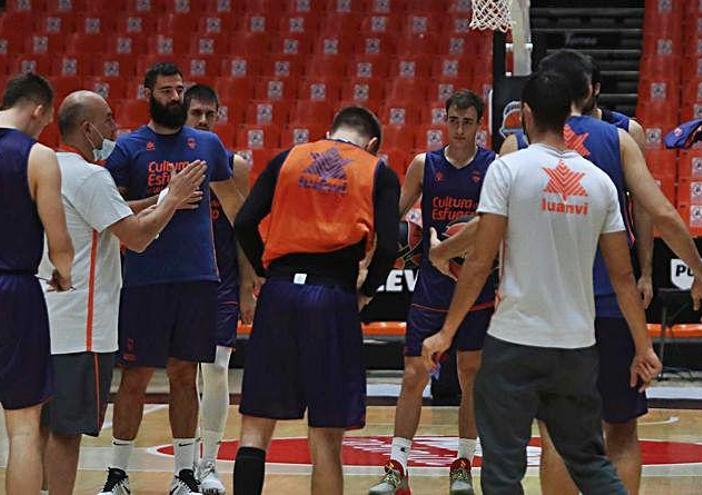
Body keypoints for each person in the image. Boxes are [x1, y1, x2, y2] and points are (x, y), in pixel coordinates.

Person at [485, 49, 702, 495]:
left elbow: (494, 231)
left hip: (548, 314)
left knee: (555, 435)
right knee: (622, 432)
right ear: (590, 91)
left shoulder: (518, 145)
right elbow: (661, 213)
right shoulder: (619, 138)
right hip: (610, 305)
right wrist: (698, 271)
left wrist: (492, 277)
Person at [421, 69, 661, 494]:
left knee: (502, 466)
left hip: (516, 339)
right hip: (575, 345)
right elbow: (624, 279)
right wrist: (643, 346)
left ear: (526, 114)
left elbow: (478, 264)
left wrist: (446, 331)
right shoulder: (600, 181)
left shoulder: (508, 169)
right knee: (588, 460)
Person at [38, 90, 205, 495]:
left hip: (38, 318)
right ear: (87, 127)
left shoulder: (42, 169)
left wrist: (160, 199)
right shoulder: (91, 175)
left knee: (34, 430)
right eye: (109, 120)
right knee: (66, 433)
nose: (116, 128)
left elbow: (108, 210)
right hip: (82, 324)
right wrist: (174, 200)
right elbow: (139, 237)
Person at [232, 106, 400, 495]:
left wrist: (265, 271)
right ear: (372, 144)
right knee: (325, 437)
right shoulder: (378, 171)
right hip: (332, 295)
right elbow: (390, 246)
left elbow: (243, 223)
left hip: (280, 292)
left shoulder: (288, 158)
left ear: (329, 131)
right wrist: (367, 292)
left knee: (255, 425)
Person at [99, 62, 245, 495]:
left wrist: (257, 263)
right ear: (147, 92)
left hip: (199, 276)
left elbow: (236, 210)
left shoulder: (207, 144)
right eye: (166, 91)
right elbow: (114, 210)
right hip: (145, 279)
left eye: (180, 90)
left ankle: (185, 473)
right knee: (135, 377)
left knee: (186, 375)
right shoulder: (129, 149)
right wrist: (167, 197)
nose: (176, 98)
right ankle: (118, 474)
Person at [368, 89, 495, 495]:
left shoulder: (494, 167)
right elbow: (395, 217)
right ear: (445, 120)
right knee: (413, 374)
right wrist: (392, 246)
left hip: (478, 282)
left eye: (468, 123)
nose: (459, 130)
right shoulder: (426, 165)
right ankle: (397, 467)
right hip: (431, 285)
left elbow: (498, 228)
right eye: (453, 121)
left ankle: (462, 464)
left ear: (480, 125)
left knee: (470, 375)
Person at [0, 72, 73, 495]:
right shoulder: (38, 156)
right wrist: (63, 274)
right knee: (24, 426)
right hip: (14, 291)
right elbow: (59, 241)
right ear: (39, 109)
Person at [183, 83, 257, 495]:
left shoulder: (234, 164)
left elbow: (242, 231)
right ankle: (184, 465)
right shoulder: (170, 160)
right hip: (179, 280)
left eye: (210, 114)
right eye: (197, 114)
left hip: (221, 280)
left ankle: (208, 463)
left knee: (215, 371)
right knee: (182, 375)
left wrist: (247, 285)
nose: (204, 121)